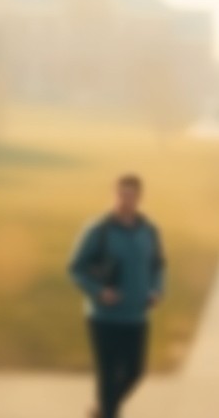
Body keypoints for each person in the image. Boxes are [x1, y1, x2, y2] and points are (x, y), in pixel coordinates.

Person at [68, 174, 166, 418]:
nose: (125, 200)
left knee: (136, 372)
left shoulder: (150, 230)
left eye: (131, 195)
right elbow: (75, 268)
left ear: (139, 197)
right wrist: (98, 291)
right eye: (121, 194)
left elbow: (159, 265)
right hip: (104, 318)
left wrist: (157, 290)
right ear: (114, 195)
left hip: (136, 317)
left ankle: (102, 411)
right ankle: (108, 412)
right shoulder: (97, 230)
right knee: (107, 376)